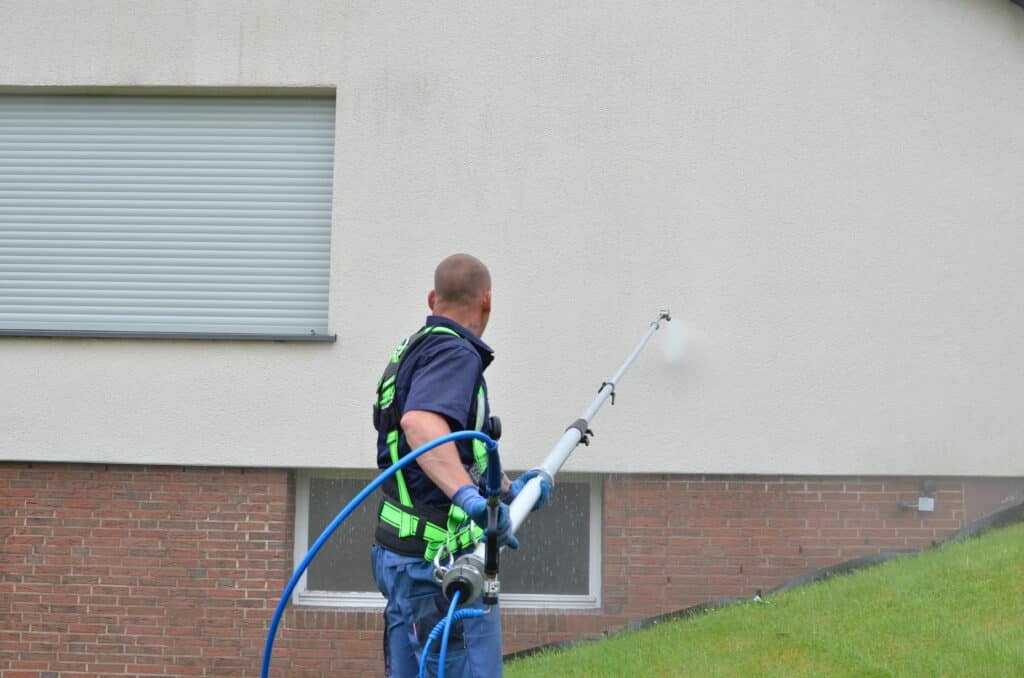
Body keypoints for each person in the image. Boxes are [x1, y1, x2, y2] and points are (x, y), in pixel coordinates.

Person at [371, 253, 551, 678]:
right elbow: (421, 425)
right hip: (438, 567)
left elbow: (451, 453)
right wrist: (472, 501)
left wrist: (507, 491)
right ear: (487, 301)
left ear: (433, 298)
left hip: (400, 558)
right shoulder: (455, 353)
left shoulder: (414, 349)